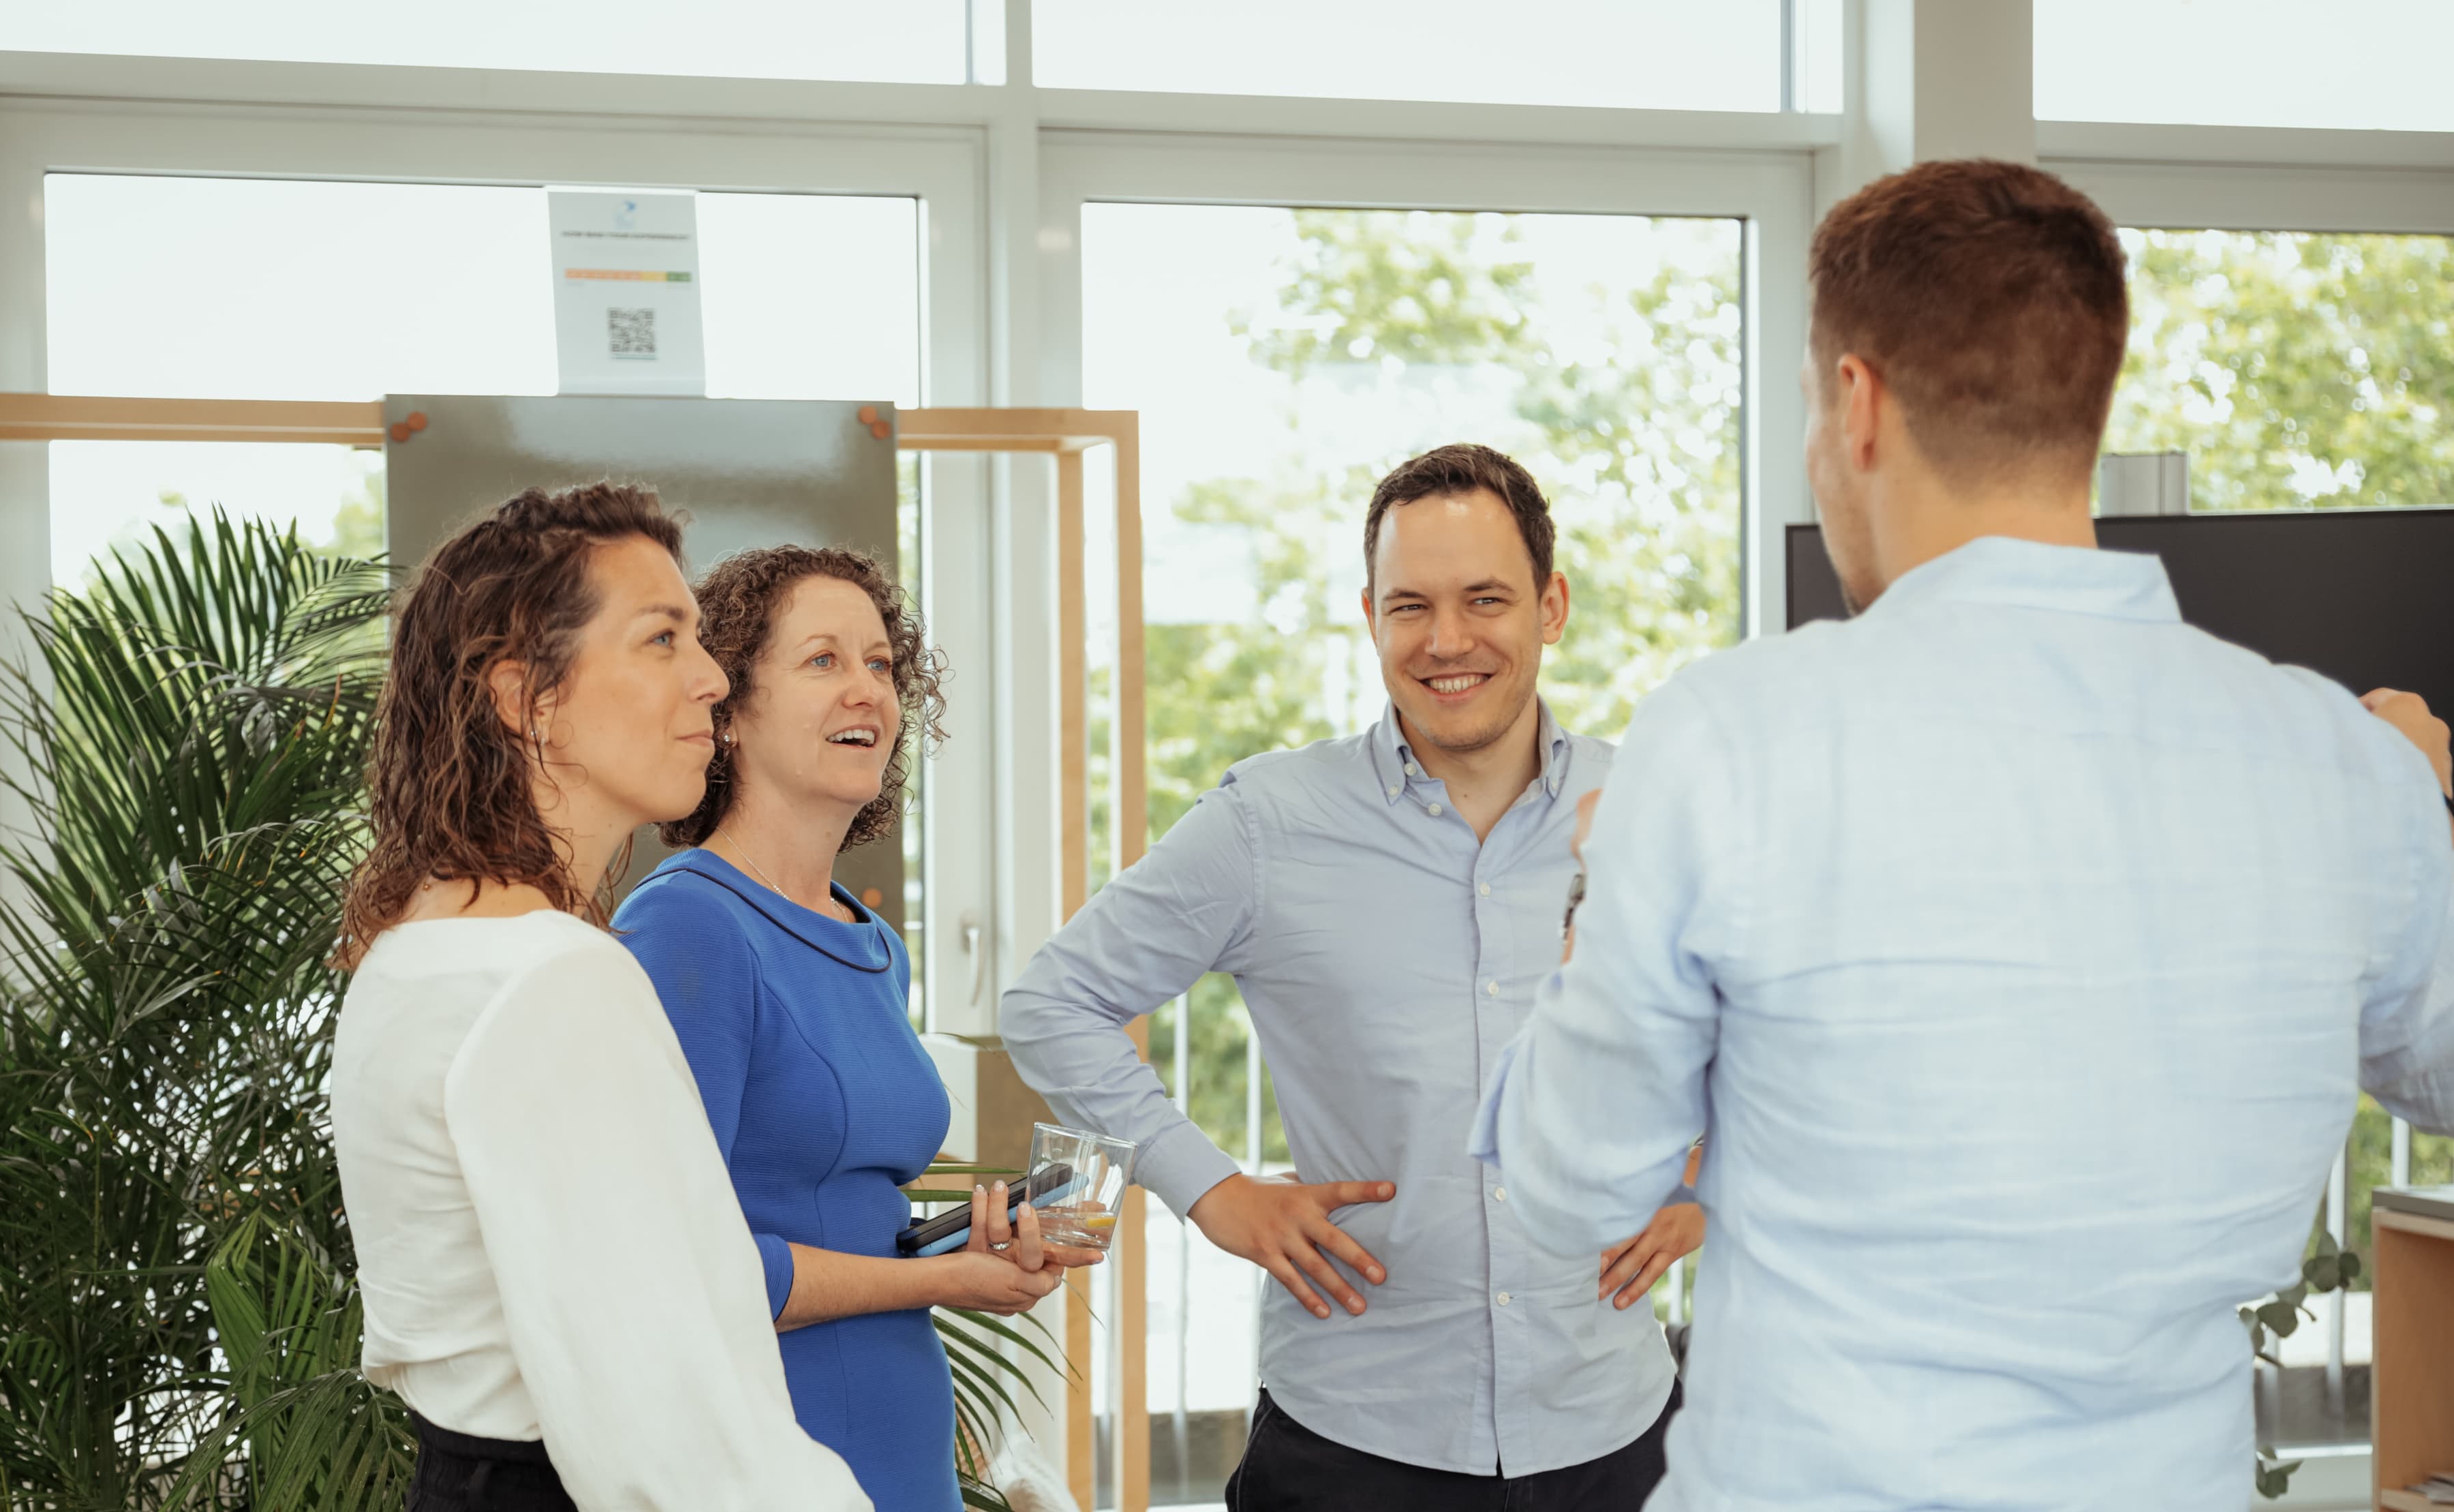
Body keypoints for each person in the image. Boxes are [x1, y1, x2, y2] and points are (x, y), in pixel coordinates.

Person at [1473, 159, 2454, 1511]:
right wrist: (2418, 809)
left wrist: (1599, 890)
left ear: (1858, 405)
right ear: (2087, 405)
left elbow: (1575, 1190)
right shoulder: (2344, 767)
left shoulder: (1730, 740)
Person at [1003, 444, 1703, 1512]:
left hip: (1612, 1431)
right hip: (1354, 1444)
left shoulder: (1651, 806)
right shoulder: (1269, 823)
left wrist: (1713, 1179)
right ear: (1370, 615)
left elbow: (1783, 1021)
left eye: (1486, 600)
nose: (1448, 640)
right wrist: (1210, 1189)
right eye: (1410, 605)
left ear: (1550, 606)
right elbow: (1051, 1003)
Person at [330, 484, 870, 1510]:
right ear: (525, 697)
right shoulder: (553, 977)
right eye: (662, 639)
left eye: (701, 639)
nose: (712, 679)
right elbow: (665, 1434)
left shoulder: (413, 948)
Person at [614, 544, 1094, 1512]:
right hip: (771, 1458)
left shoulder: (870, 939)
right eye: (823, 661)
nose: (867, 692)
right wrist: (941, 1281)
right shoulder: (687, 926)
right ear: (732, 712)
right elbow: (671, 1270)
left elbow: (835, 1210)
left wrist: (965, 1246)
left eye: (881, 665)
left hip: (901, 1447)